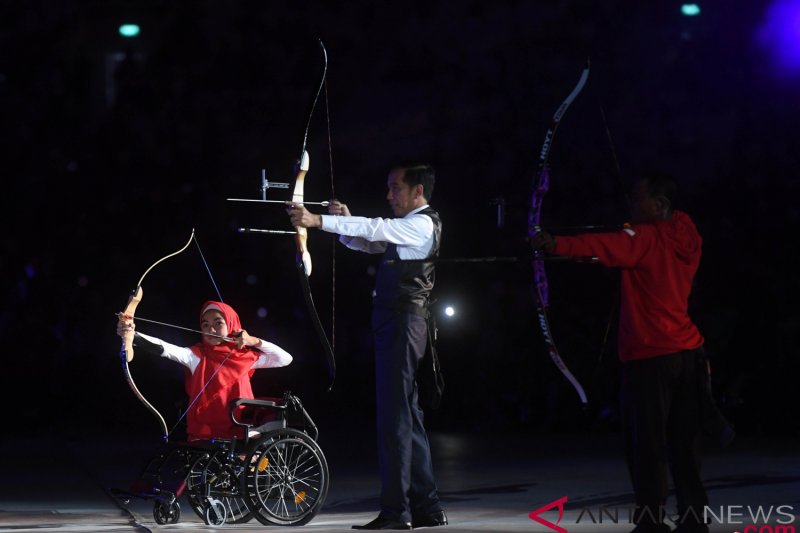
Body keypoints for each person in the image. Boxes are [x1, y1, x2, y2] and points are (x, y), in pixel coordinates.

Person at [531, 173, 712, 533]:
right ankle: (694, 519)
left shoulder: (644, 237)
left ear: (658, 205)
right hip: (689, 352)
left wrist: (554, 244)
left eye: (637, 198)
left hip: (651, 356)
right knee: (684, 441)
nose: (630, 204)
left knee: (646, 443)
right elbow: (615, 247)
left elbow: (610, 244)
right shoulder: (686, 232)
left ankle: (650, 522)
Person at [288, 163, 447, 530]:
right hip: (399, 324)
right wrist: (341, 220)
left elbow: (376, 228)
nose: (389, 195)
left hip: (404, 324)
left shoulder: (422, 222)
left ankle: (397, 512)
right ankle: (427, 507)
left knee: (395, 418)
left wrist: (316, 221)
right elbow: (369, 240)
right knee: (407, 414)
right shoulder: (410, 228)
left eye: (395, 188)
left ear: (417, 191)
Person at [116, 300, 292, 441]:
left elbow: (285, 359)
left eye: (218, 323)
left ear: (232, 325)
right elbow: (166, 349)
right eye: (205, 325)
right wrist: (133, 335)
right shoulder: (197, 356)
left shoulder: (243, 357)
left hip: (240, 429)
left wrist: (253, 341)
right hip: (205, 432)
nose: (211, 329)